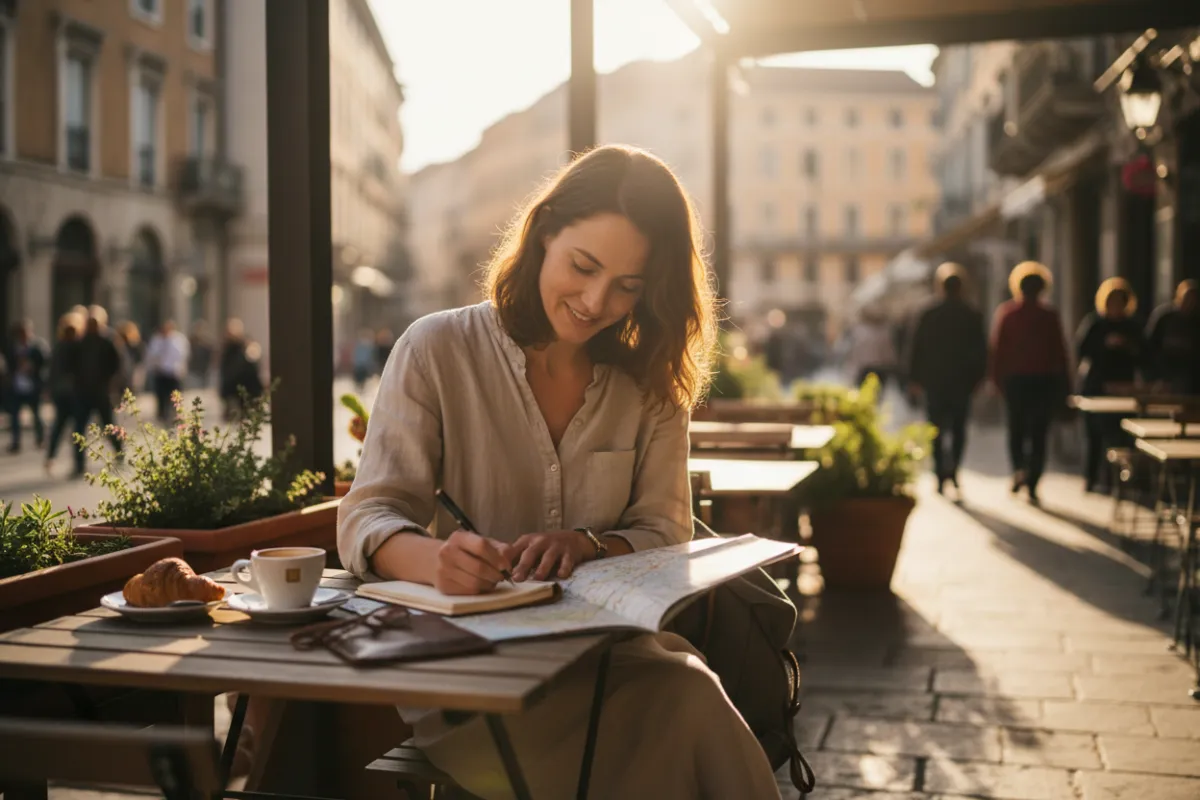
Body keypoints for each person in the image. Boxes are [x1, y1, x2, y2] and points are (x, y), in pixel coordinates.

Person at [337, 145, 779, 799]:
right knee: (684, 719)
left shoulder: (651, 386)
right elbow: (367, 516)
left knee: (689, 695)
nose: (597, 301)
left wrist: (590, 545)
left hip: (615, 663)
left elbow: (666, 534)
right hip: (471, 674)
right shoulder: (435, 350)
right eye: (584, 266)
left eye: (628, 286)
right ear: (544, 234)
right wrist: (438, 562)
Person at [989, 262, 1070, 505]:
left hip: (1015, 381)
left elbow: (997, 350)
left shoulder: (1007, 313)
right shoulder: (1049, 315)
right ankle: (1033, 480)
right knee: (1039, 433)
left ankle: (1019, 470)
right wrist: (1065, 383)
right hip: (1043, 381)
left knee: (1016, 429)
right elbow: (1060, 352)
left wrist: (995, 379)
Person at [906, 262, 987, 495]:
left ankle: (940, 472)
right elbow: (981, 350)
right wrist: (979, 377)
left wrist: (913, 379)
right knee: (959, 428)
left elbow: (916, 348)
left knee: (936, 429)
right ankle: (954, 469)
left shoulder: (929, 314)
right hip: (963, 382)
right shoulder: (972, 314)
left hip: (935, 381)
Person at [1075, 277, 1144, 492]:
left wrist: (1126, 346)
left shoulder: (1132, 327)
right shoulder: (1096, 324)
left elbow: (1144, 354)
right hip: (1097, 386)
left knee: (1122, 435)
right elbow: (1081, 351)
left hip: (1123, 387)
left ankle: (1120, 480)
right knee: (1094, 436)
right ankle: (1092, 477)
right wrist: (1104, 345)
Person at [75, 306, 123, 477]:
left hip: (102, 391)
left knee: (109, 425)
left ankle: (120, 453)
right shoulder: (81, 342)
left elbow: (117, 364)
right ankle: (78, 464)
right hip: (83, 392)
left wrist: (111, 383)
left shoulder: (107, 342)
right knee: (79, 428)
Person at [1144, 279, 1200, 395]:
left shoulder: (1196, 322)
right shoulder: (1164, 317)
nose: (1189, 303)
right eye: (1187, 298)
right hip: (1163, 376)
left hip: (1190, 379)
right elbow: (1149, 347)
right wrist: (1152, 377)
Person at [44, 312, 83, 475]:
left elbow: (52, 372)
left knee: (60, 427)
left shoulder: (59, 347)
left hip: (62, 393)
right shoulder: (76, 348)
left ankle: (51, 457)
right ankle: (77, 463)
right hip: (72, 393)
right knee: (76, 429)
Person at [4, 320, 48, 453]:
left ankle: (40, 439)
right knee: (15, 416)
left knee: (36, 414)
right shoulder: (13, 348)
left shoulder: (37, 346)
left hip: (32, 386)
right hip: (17, 386)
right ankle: (15, 442)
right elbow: (8, 365)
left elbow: (45, 362)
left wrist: (33, 368)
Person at [145, 320, 191, 423]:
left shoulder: (179, 339)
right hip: (161, 372)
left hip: (174, 372)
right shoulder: (157, 340)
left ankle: (176, 414)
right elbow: (151, 355)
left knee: (175, 395)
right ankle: (162, 415)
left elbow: (183, 355)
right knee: (161, 396)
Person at [845, 308, 898, 391]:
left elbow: (854, 353)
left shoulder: (859, 331)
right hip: (876, 368)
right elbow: (888, 352)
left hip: (867, 368)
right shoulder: (884, 332)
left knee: (865, 393)